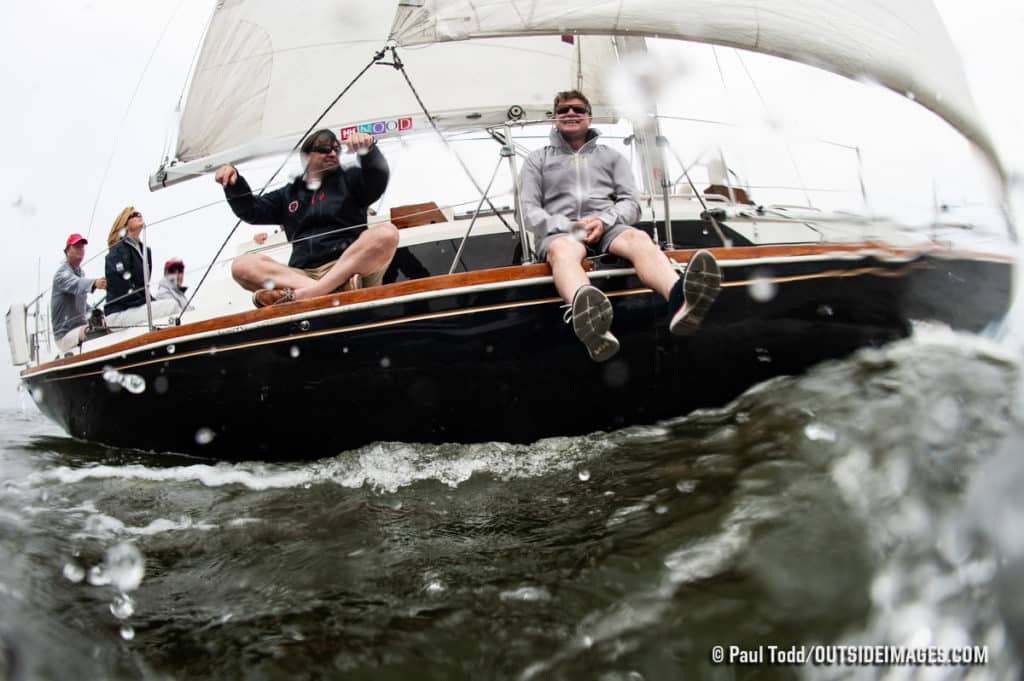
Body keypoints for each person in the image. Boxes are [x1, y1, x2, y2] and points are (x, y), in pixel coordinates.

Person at [518, 90, 722, 362]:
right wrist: (568, 226)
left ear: (588, 116)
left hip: (606, 226)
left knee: (638, 239)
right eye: (564, 110)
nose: (571, 114)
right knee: (564, 252)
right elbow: (526, 212)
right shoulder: (537, 160)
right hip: (561, 232)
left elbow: (631, 203)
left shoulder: (612, 158)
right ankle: (591, 322)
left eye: (578, 109)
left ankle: (680, 300)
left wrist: (605, 220)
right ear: (555, 118)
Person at [214, 129, 399, 307]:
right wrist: (234, 184)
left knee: (387, 233)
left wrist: (368, 151)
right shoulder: (287, 195)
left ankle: (310, 293)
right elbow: (251, 211)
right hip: (300, 275)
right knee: (241, 265)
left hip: (349, 267)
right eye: (325, 149)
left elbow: (377, 179)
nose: (333, 153)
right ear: (307, 155)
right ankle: (330, 290)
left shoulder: (351, 180)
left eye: (337, 149)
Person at [104, 207, 183, 328]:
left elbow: (142, 288)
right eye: (134, 214)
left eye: (139, 213)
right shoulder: (117, 251)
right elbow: (123, 290)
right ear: (125, 223)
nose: (139, 214)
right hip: (119, 312)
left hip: (136, 308)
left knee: (179, 306)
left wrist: (151, 301)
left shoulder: (145, 251)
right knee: (172, 306)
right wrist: (148, 302)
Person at [50, 233, 107, 352]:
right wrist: (94, 283)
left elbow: (81, 302)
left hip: (80, 328)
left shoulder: (81, 273)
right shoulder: (62, 275)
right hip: (65, 335)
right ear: (67, 251)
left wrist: (94, 312)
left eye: (82, 247)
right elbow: (77, 284)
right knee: (93, 332)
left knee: (106, 325)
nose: (80, 249)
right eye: (76, 246)